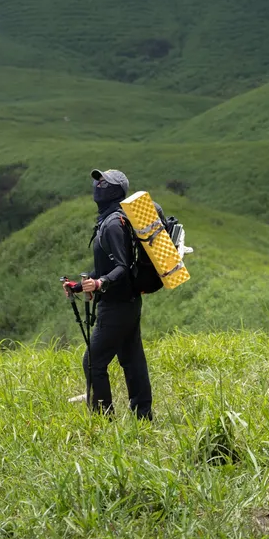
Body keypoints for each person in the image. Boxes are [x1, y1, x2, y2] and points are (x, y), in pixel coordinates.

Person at [64, 169, 153, 420]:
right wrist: (80, 286)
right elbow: (106, 267)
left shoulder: (113, 223)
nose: (97, 184)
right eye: (97, 181)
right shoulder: (111, 220)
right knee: (132, 359)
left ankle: (103, 420)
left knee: (93, 362)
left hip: (116, 306)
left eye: (103, 182)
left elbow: (122, 268)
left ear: (115, 191)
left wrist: (101, 283)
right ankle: (143, 416)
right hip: (127, 302)